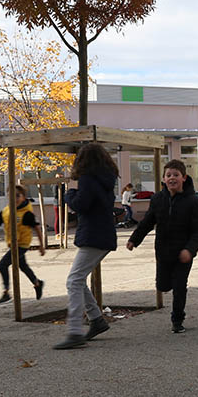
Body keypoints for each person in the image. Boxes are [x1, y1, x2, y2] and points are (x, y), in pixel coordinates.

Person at [127, 160, 198, 334]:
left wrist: (190, 250)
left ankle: (177, 320)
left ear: (184, 178)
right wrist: (134, 239)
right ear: (163, 179)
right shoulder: (157, 199)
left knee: (179, 286)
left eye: (176, 175)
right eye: (168, 175)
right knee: (163, 286)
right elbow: (148, 222)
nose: (172, 178)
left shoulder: (193, 201)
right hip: (163, 252)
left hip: (183, 253)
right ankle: (166, 287)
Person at [54, 144, 119, 350]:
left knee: (73, 281)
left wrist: (68, 195)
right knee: (78, 279)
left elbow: (81, 205)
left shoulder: (88, 179)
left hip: (93, 235)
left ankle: (74, 331)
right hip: (103, 234)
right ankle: (97, 320)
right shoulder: (106, 179)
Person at [0, 185, 45, 304]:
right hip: (12, 244)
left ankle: (6, 292)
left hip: (22, 244)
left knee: (2, 265)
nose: (14, 198)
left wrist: (41, 245)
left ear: (24, 197)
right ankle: (37, 283)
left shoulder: (26, 213)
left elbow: (36, 228)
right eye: (11, 196)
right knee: (23, 266)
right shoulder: (7, 210)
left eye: (17, 196)